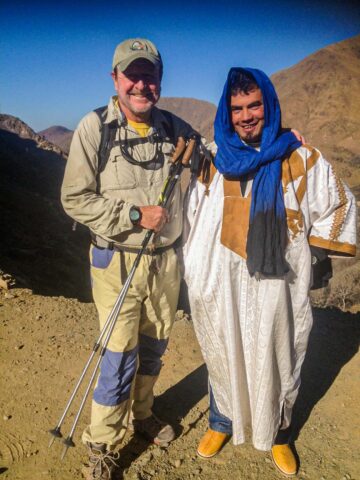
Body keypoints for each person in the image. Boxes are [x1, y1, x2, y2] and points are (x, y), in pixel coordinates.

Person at [183, 68, 356, 476]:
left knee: (279, 352)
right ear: (228, 112)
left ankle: (279, 434)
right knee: (224, 349)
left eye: (254, 106)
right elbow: (193, 211)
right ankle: (221, 422)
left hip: (277, 283)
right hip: (220, 283)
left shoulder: (298, 157)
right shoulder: (214, 157)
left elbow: (340, 205)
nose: (246, 116)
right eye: (237, 108)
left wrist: (312, 253)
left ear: (270, 105)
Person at [61, 38, 199, 480]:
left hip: (166, 264)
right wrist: (136, 214)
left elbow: (219, 159)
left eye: (150, 75)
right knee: (119, 356)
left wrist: (281, 140)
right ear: (115, 78)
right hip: (117, 261)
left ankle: (142, 415)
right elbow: (74, 199)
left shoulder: (176, 129)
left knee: (155, 349)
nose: (141, 84)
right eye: (132, 75)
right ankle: (101, 445)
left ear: (159, 80)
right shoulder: (94, 128)